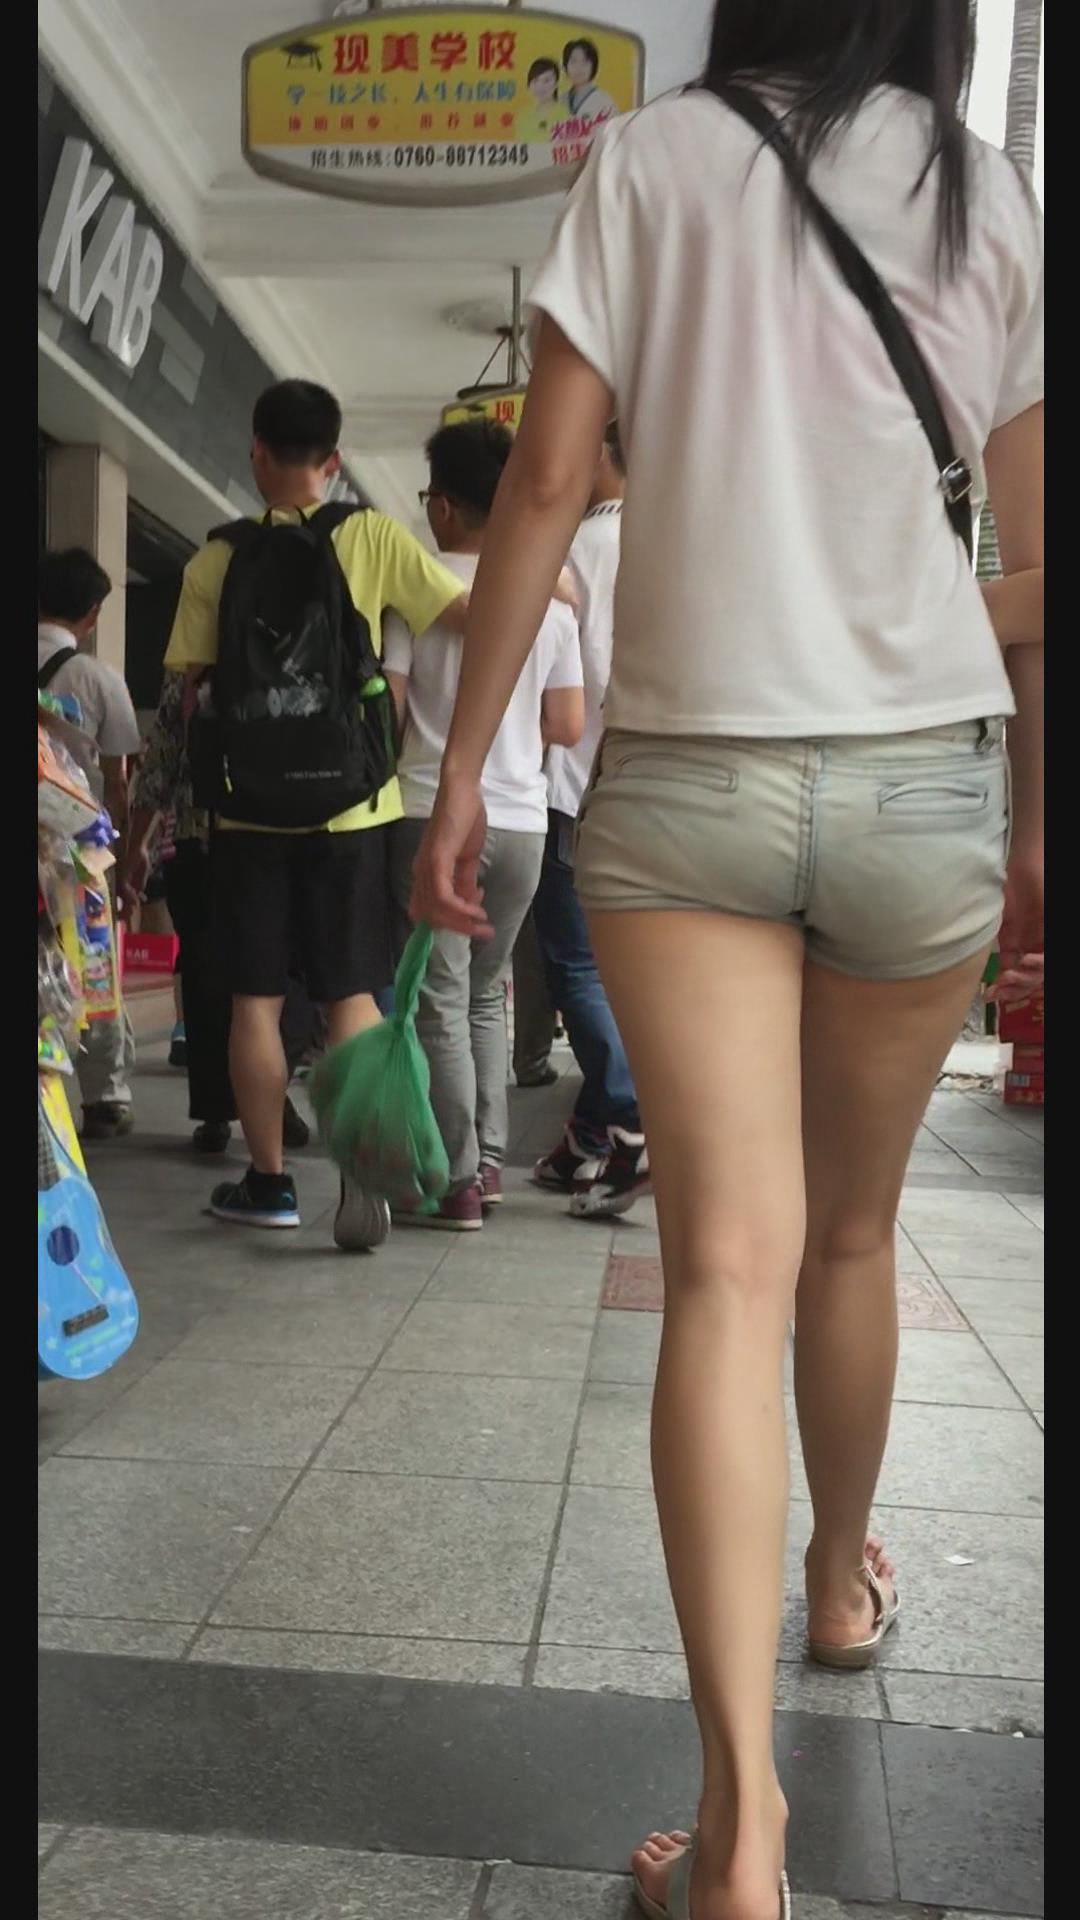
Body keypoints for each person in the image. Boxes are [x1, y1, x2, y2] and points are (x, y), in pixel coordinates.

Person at [409, 4, 1043, 1914]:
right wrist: (1036, 815)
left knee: (724, 1276)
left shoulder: (652, 163)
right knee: (853, 1241)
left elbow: (542, 487)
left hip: (687, 782)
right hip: (924, 779)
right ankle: (840, 1584)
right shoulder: (985, 192)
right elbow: (1043, 551)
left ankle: (740, 1829)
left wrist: (462, 769)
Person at [163, 379, 469, 1245]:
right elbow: (464, 613)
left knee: (255, 1002)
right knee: (349, 993)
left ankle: (268, 1185)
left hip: (248, 817)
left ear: (256, 452)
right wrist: (553, 582)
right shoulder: (371, 536)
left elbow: (192, 691)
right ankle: (362, 1176)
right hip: (354, 809)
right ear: (334, 462)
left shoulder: (214, 560)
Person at [384, 420, 583, 1228]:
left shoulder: (418, 593)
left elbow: (394, 714)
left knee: (438, 996)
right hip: (524, 821)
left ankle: (458, 1178)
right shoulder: (549, 604)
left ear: (443, 506)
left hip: (432, 810)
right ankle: (489, 1163)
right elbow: (567, 723)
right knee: (483, 997)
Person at [125, 670, 318, 1155]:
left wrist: (137, 846)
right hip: (285, 836)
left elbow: (161, 764)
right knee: (286, 974)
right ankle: (270, 1091)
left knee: (207, 977)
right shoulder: (297, 658)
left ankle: (219, 1110)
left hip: (202, 837)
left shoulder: (190, 666)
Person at [532, 421, 649, 1216]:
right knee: (626, 970)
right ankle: (586, 1138)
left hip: (575, 783)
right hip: (660, 788)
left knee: (576, 965)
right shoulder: (671, 540)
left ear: (603, 454)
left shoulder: (572, 550)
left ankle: (630, 1116)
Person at [38, 548, 142, 1141]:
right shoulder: (99, 679)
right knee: (93, 962)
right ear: (94, 612)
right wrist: (122, 863)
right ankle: (105, 1096)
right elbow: (118, 780)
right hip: (77, 851)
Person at [561, 38, 617, 128]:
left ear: (593, 66)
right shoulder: (561, 100)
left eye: (585, 62)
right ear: (565, 66)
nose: (578, 68)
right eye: (573, 61)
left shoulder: (604, 101)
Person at [518, 57, 562, 145]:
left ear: (556, 84)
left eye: (546, 81)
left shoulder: (564, 115)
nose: (540, 86)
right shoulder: (523, 116)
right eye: (535, 81)